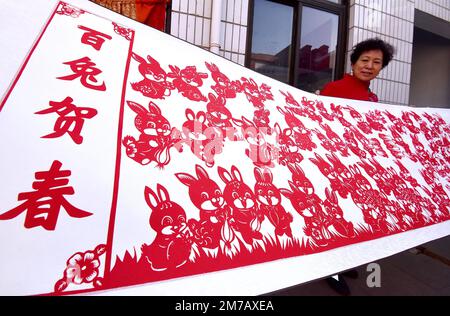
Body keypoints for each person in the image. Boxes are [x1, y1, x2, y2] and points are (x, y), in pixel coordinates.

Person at [319, 37, 395, 295]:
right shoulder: (334, 89)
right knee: (336, 216)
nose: (369, 66)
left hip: (359, 168)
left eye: (377, 62)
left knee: (353, 216)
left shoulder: (372, 97)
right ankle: (331, 269)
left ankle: (345, 261)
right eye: (365, 60)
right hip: (334, 165)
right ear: (353, 63)